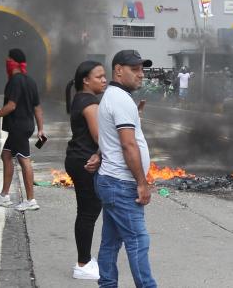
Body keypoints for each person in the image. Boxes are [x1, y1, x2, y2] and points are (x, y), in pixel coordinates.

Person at [96, 50, 156, 287]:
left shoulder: (114, 97)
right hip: (121, 183)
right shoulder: (120, 99)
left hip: (111, 180)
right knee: (138, 240)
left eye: (142, 69)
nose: (141, 75)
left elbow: (112, 137)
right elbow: (127, 144)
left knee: (110, 242)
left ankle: (107, 284)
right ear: (118, 70)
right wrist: (142, 183)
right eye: (135, 69)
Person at [0, 49, 44, 211]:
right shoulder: (30, 81)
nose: (6, 61)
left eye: (8, 59)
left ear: (13, 63)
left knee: (24, 160)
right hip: (25, 126)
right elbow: (37, 107)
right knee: (6, 155)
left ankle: (31, 200)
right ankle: (4, 195)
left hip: (18, 126)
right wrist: (40, 129)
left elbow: (11, 106)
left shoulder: (14, 81)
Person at [64, 61, 107, 280]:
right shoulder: (89, 102)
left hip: (77, 158)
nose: (104, 79)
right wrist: (99, 155)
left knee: (86, 212)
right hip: (85, 162)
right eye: (99, 76)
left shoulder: (81, 99)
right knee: (88, 213)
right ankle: (83, 264)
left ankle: (86, 260)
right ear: (85, 80)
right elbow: (101, 137)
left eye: (104, 76)